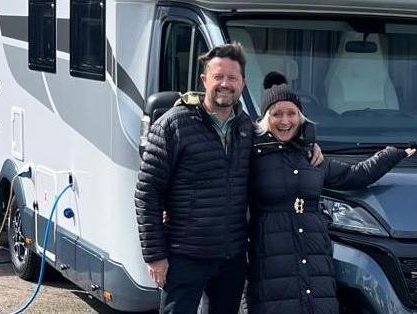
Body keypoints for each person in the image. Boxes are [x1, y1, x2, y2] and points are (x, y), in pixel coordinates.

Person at [134, 44, 322, 314]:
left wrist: (310, 146)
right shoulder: (174, 124)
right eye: (218, 77)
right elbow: (147, 192)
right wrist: (155, 255)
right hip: (185, 254)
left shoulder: (247, 128)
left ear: (243, 82)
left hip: (231, 257)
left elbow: (281, 143)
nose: (225, 84)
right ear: (204, 80)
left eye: (232, 78)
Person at [247, 72, 416, 314]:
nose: (285, 121)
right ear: (265, 119)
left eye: (291, 113)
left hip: (315, 256)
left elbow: (355, 176)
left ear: (300, 117)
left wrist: (392, 153)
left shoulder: (313, 157)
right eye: (277, 114)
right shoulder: (252, 155)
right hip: (272, 258)